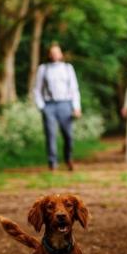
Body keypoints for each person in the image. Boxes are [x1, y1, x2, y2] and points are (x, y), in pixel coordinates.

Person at [33, 43, 82, 171]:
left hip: (65, 104)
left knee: (68, 135)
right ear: (49, 55)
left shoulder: (68, 68)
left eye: (57, 52)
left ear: (61, 54)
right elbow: (37, 90)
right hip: (49, 105)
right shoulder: (43, 69)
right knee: (50, 135)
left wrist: (76, 107)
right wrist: (42, 107)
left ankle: (68, 158)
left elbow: (74, 89)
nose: (55, 54)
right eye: (52, 52)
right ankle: (52, 162)